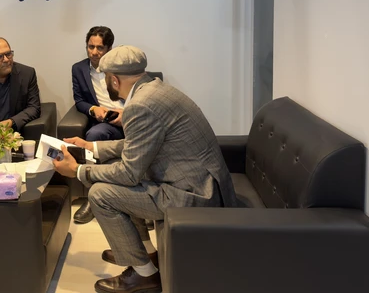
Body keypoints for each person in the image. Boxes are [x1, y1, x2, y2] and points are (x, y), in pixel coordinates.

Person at [53, 46, 237, 293]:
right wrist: (91, 147)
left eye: (105, 78)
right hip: (202, 182)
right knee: (112, 176)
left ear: (114, 80)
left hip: (194, 194)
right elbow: (138, 144)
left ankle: (145, 275)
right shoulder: (157, 90)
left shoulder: (140, 106)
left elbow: (129, 174)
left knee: (100, 194)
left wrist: (77, 171)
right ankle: (147, 254)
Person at [70, 26, 124, 224]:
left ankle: (141, 201)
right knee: (93, 135)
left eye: (99, 48)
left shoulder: (122, 66)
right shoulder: (79, 69)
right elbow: (79, 101)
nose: (94, 52)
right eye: (90, 47)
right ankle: (93, 198)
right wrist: (94, 109)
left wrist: (126, 114)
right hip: (105, 122)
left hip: (129, 119)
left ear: (109, 49)